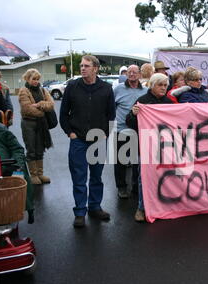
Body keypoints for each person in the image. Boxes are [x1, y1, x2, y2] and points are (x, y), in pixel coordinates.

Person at [60, 55, 115, 228]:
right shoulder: (72, 87)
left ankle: (95, 207)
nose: (82, 68)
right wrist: (70, 133)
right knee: (79, 177)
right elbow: (63, 114)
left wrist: (106, 133)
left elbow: (111, 115)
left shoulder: (106, 88)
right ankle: (80, 212)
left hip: (99, 139)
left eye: (86, 65)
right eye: (81, 65)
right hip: (78, 140)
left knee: (97, 177)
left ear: (96, 68)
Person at [125, 73, 173, 222]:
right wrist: (133, 115)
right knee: (144, 179)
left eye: (165, 85)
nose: (163, 88)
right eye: (160, 85)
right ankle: (142, 208)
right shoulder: (142, 101)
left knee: (165, 178)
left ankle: (162, 206)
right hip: (145, 146)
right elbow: (129, 122)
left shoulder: (169, 102)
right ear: (152, 85)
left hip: (165, 147)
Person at [113, 64, 147, 199]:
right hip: (121, 130)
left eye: (135, 72)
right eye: (129, 72)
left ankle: (135, 187)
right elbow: (112, 108)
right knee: (120, 161)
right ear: (126, 74)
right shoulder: (117, 89)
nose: (132, 74)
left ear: (139, 74)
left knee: (136, 161)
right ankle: (121, 187)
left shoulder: (145, 90)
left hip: (139, 130)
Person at [18, 68, 55, 185]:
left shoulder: (43, 90)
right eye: (33, 79)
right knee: (31, 149)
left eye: (38, 79)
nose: (36, 81)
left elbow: (51, 105)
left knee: (40, 148)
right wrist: (43, 110)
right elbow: (27, 109)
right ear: (27, 78)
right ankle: (33, 175)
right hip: (28, 123)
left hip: (41, 124)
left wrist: (39, 104)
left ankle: (40, 174)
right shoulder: (23, 91)